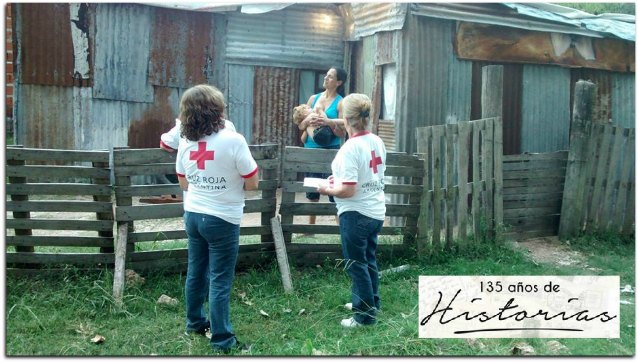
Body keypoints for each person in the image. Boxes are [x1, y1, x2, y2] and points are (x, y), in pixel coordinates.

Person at [175, 84, 258, 353]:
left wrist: (205, 184)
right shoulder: (234, 140)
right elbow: (252, 182)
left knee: (196, 271)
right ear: (217, 110)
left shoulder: (186, 141)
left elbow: (183, 182)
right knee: (220, 278)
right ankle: (222, 338)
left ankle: (194, 322)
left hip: (194, 215)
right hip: (222, 218)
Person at [317, 93, 386, 328]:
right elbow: (365, 176)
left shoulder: (349, 148)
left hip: (356, 214)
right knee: (368, 260)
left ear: (344, 118)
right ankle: (371, 301)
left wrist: (326, 188)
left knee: (356, 264)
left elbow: (347, 190)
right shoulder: (376, 141)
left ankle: (364, 316)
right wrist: (337, 180)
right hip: (375, 211)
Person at [297, 67, 348, 228]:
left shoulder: (341, 102)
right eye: (326, 75)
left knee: (334, 190)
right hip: (311, 148)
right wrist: (308, 122)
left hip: (330, 150)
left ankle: (339, 228)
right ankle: (310, 228)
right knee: (313, 190)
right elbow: (300, 123)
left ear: (339, 82)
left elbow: (342, 133)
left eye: (330, 76)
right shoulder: (313, 98)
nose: (325, 78)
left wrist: (328, 122)